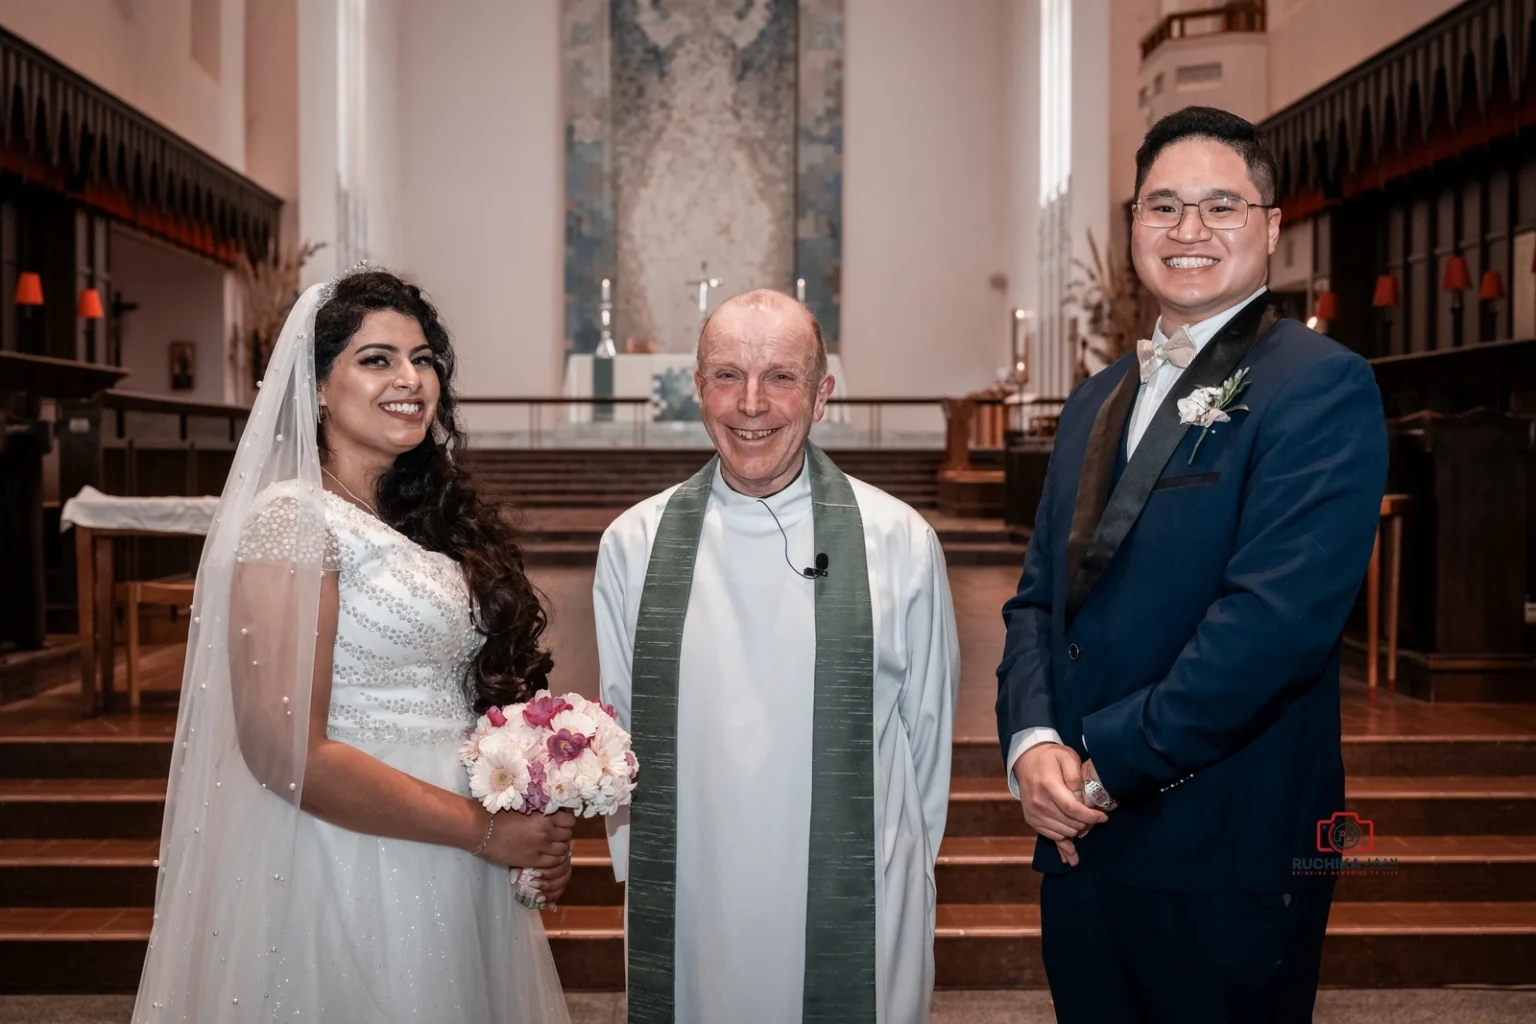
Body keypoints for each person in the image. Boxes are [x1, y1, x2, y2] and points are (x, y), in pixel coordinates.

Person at [996, 106, 1388, 1022]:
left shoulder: (1319, 385)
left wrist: (1101, 765)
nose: (1189, 231)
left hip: (1223, 837)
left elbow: (1271, 631)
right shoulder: (1095, 399)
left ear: (1273, 228)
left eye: (1221, 206)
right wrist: (1031, 745)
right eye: (1163, 207)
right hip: (1080, 841)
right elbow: (1039, 602)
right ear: (1135, 224)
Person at [133, 269, 573, 1022]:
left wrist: (523, 795)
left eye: (424, 358)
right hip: (347, 854)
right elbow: (282, 751)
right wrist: (488, 830)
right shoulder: (293, 520)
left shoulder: (416, 517)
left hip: (450, 841)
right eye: (377, 359)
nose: (411, 379)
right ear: (319, 388)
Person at [595, 289, 959, 1024]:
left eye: (782, 377)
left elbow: (927, 742)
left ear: (822, 393)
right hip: (695, 898)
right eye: (727, 375)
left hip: (856, 895)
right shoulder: (633, 545)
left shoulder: (900, 541)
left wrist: (902, 883)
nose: (751, 403)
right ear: (697, 389)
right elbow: (621, 739)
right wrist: (647, 879)